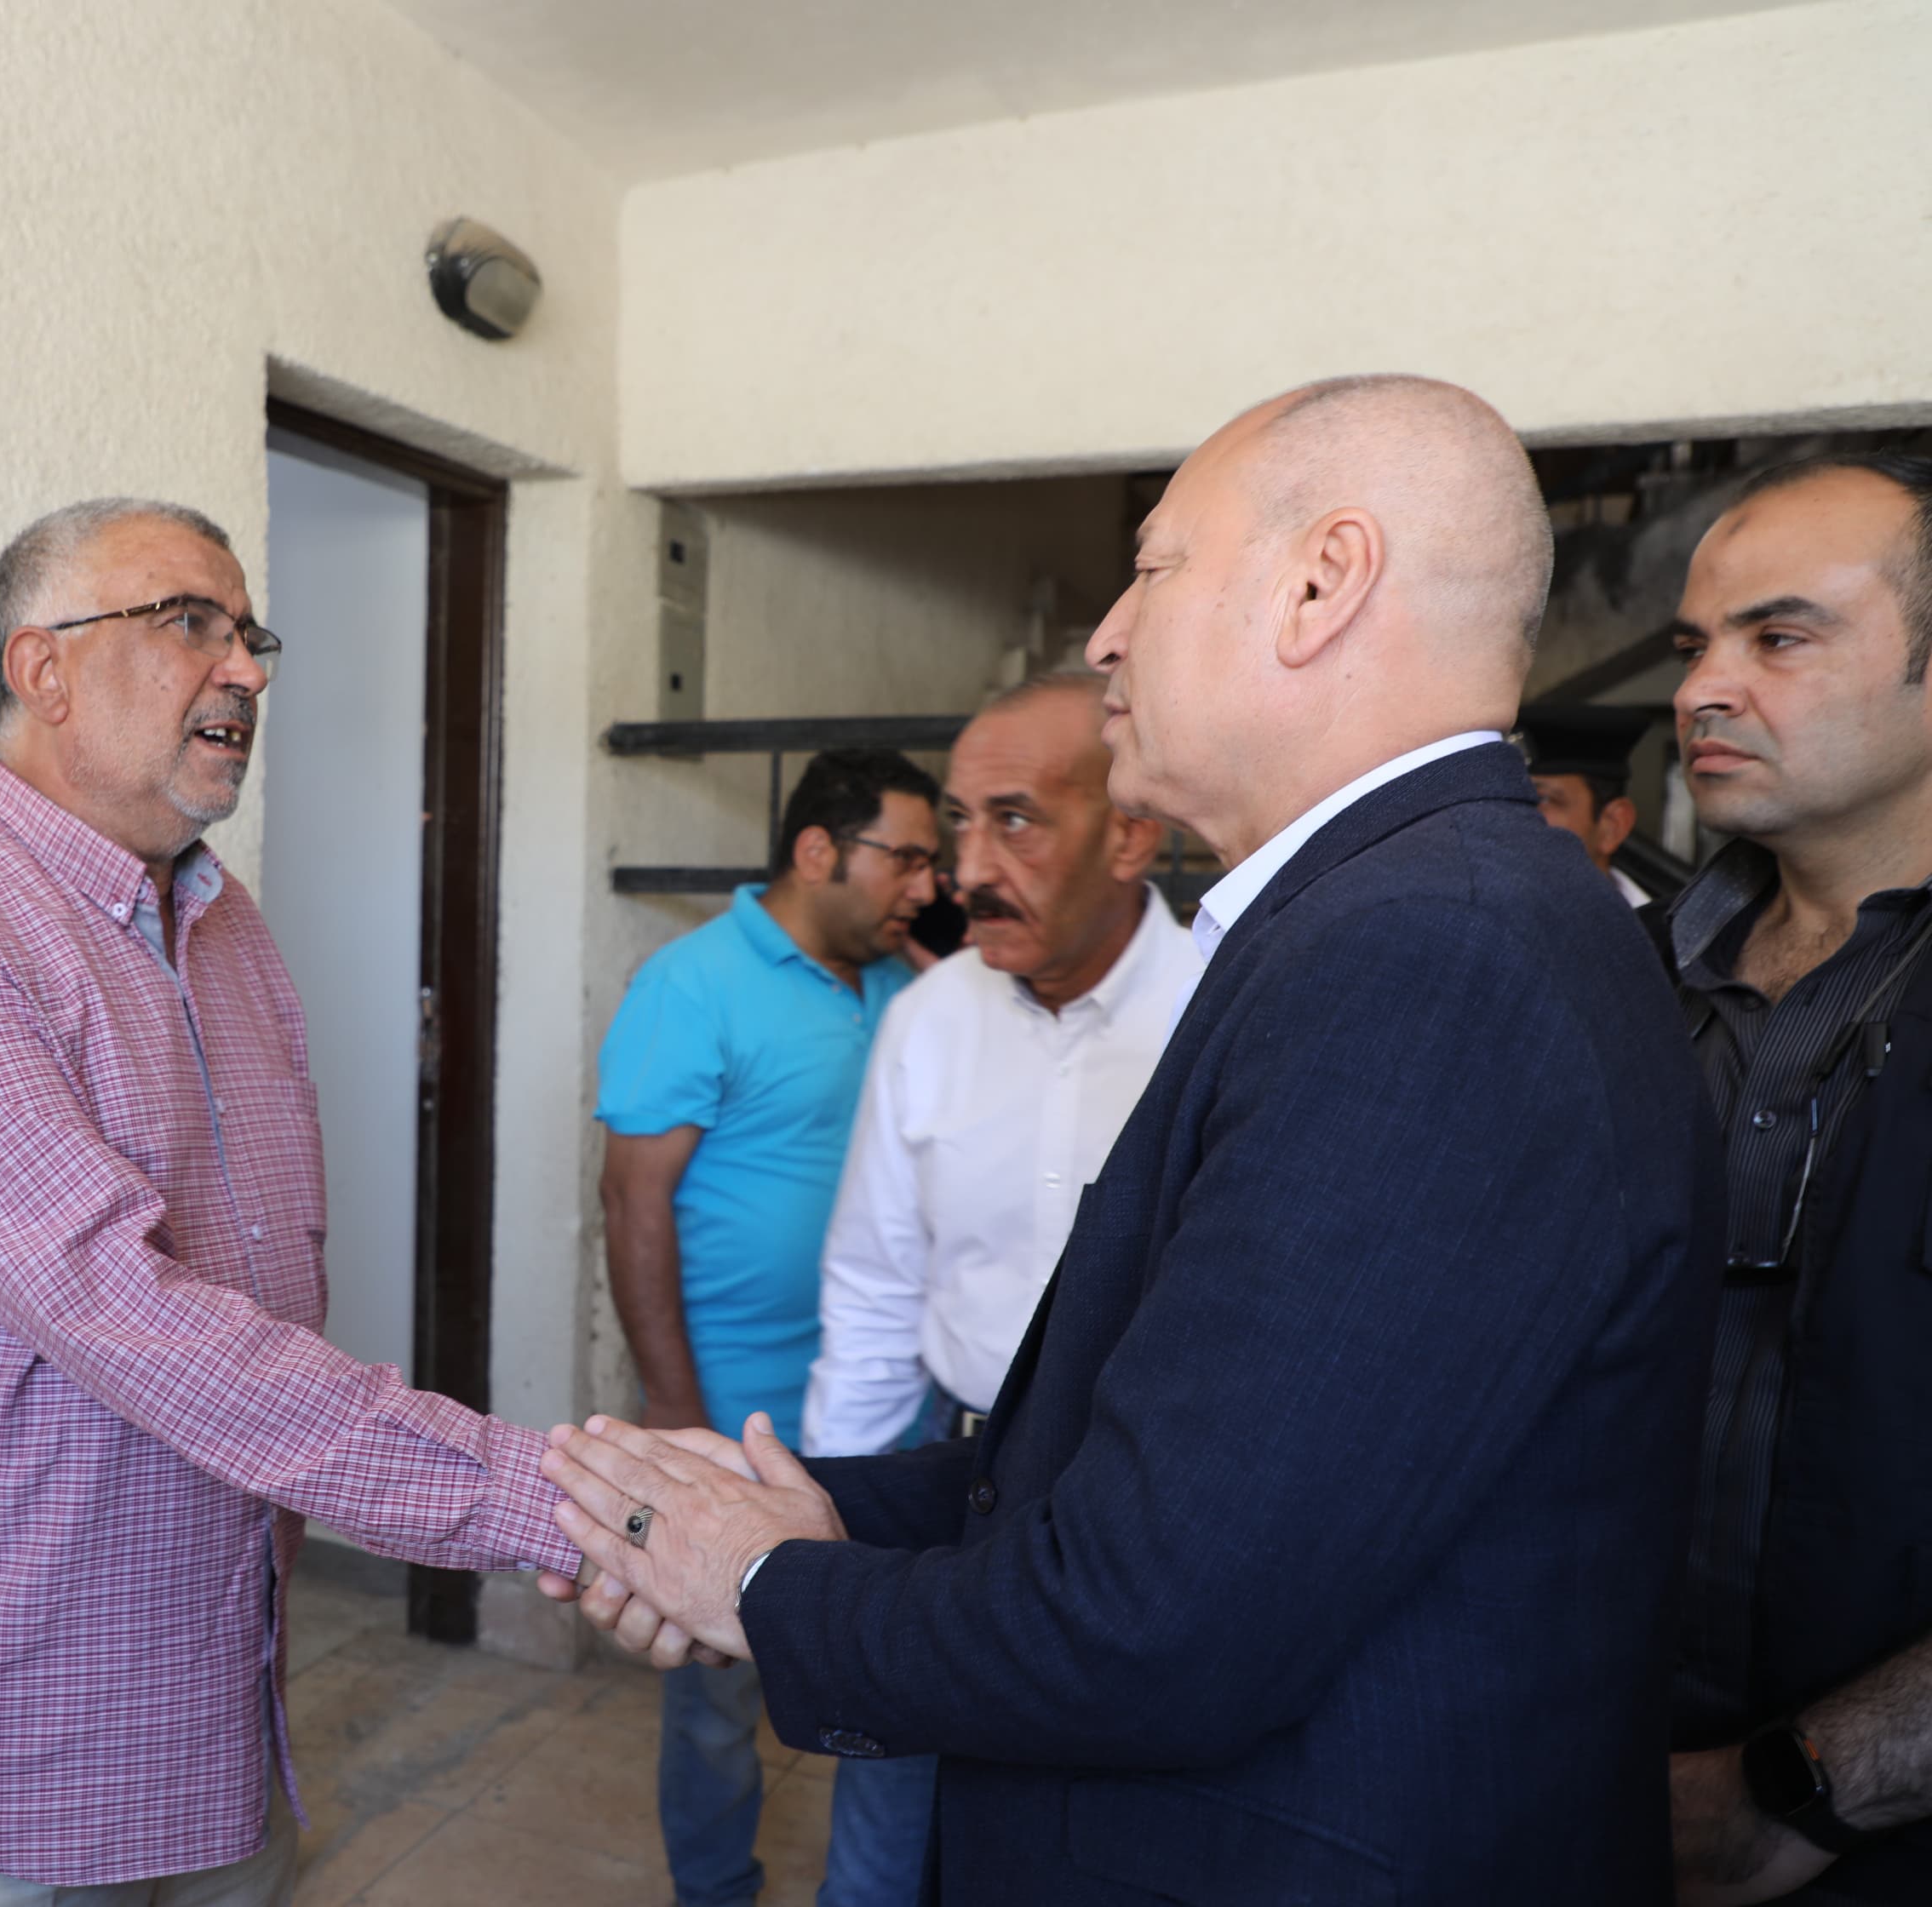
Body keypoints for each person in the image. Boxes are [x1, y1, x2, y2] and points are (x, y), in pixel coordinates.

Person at [544, 375, 1722, 1904]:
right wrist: (820, 1507)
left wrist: (761, 1579)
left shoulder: (1436, 959)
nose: (1105, 635)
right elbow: (1136, 1469)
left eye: (1153, 567)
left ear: (1322, 584)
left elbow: (1154, 1618)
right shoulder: (1403, 917)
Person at [0, 498, 589, 1905]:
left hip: (205, 1728)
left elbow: (258, 1299)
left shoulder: (226, 929)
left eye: (249, 634)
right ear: (44, 669)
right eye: (190, 622)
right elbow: (123, 1310)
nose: (244, 669)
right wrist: (549, 1502)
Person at [795, 668, 1201, 1891]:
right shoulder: (929, 1021)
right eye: (961, 823)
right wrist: (830, 1534)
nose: (967, 869)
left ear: (1131, 835)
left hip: (1138, 1509)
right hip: (942, 1482)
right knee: (880, 1852)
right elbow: (875, 1289)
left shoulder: (1220, 1017)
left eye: (1015, 820)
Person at [1651, 451, 1932, 1906]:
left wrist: (1802, 1792)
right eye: (1695, 644)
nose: (1704, 688)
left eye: (1780, 637)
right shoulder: (1613, 994)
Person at [594, 747, 939, 1907]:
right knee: (715, 1695)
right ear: (817, 850)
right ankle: (714, 1891)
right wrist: (673, 1404)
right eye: (906, 858)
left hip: (889, 1417)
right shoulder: (691, 983)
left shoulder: (906, 987)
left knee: (894, 1679)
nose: (927, 886)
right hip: (738, 1417)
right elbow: (632, 1200)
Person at [1522, 702, 1659, 907]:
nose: (1509, 816)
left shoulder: (1660, 927)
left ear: (1614, 825)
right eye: (1502, 798)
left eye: (1543, 799)